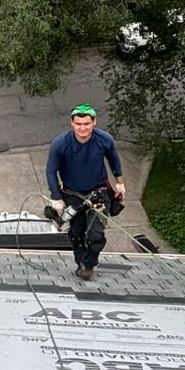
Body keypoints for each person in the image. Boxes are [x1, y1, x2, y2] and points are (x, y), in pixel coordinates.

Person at [45, 105, 125, 280]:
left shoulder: (104, 140)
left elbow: (114, 161)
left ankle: (89, 264)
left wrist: (119, 184)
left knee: (96, 236)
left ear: (94, 123)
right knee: (77, 234)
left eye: (87, 124)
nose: (83, 128)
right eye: (78, 124)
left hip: (98, 192)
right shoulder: (61, 144)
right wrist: (56, 198)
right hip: (72, 194)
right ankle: (81, 262)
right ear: (72, 123)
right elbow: (51, 171)